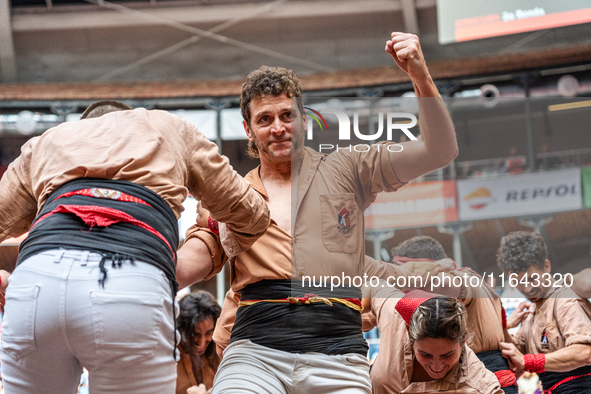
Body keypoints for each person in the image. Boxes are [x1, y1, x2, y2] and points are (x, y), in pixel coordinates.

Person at [177, 32, 458, 393]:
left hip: (339, 352)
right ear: (248, 129)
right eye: (264, 119)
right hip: (255, 351)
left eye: (286, 115)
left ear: (304, 120)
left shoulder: (350, 168)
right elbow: (192, 259)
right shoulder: (230, 195)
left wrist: (420, 75)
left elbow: (440, 151)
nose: (277, 127)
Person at [0, 100, 270, 394]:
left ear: (81, 126)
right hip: (131, 283)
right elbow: (252, 214)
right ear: (131, 119)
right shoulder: (169, 128)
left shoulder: (46, 142)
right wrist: (212, 225)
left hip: (38, 285)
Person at [388, 236, 519, 394]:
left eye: (407, 271)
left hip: (480, 382)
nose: (402, 278)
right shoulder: (481, 284)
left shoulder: (459, 280)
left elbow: (444, 284)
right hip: (494, 379)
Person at [497, 231, 591, 394]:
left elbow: (585, 353)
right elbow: (514, 362)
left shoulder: (564, 299)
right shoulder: (531, 310)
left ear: (547, 266)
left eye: (532, 279)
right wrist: (504, 326)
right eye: (518, 282)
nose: (526, 288)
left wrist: (529, 361)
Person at [365, 286, 503, 393]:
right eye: (425, 354)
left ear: (463, 341)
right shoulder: (396, 315)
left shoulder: (478, 385)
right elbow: (372, 288)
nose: (436, 367)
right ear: (409, 334)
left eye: (447, 355)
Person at [176, 291, 221, 394]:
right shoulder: (169, 358)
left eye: (209, 333)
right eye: (195, 334)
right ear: (181, 329)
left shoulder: (220, 353)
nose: (201, 343)